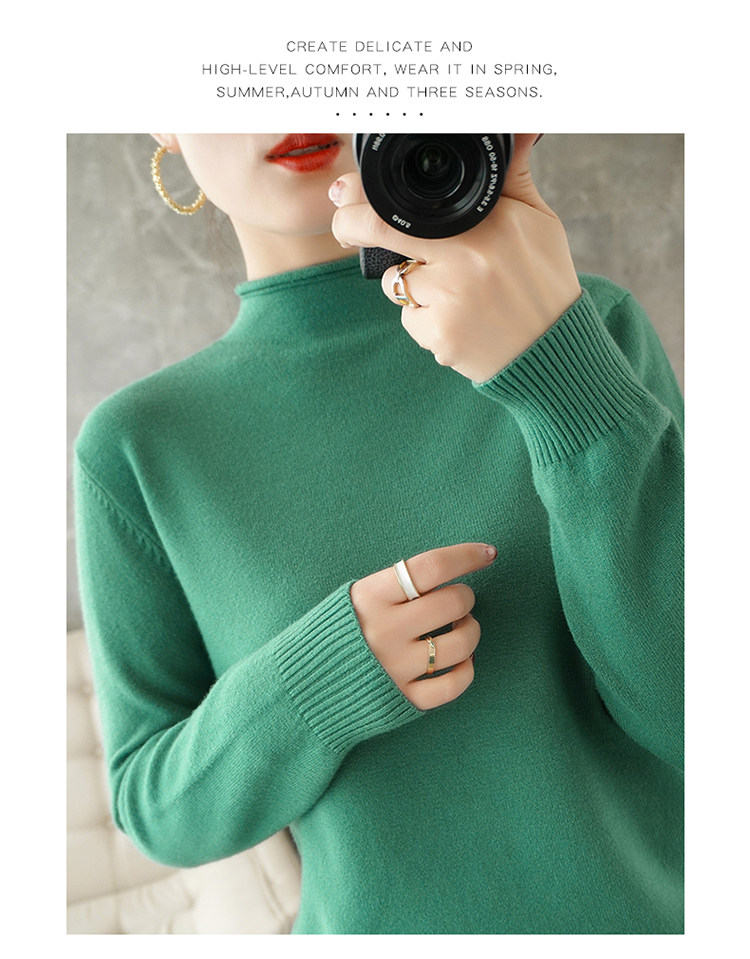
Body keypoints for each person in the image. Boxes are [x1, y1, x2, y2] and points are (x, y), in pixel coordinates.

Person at [74, 133, 684, 935]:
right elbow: (154, 810)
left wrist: (561, 379)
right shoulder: (138, 444)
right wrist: (315, 684)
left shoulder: (583, 327)